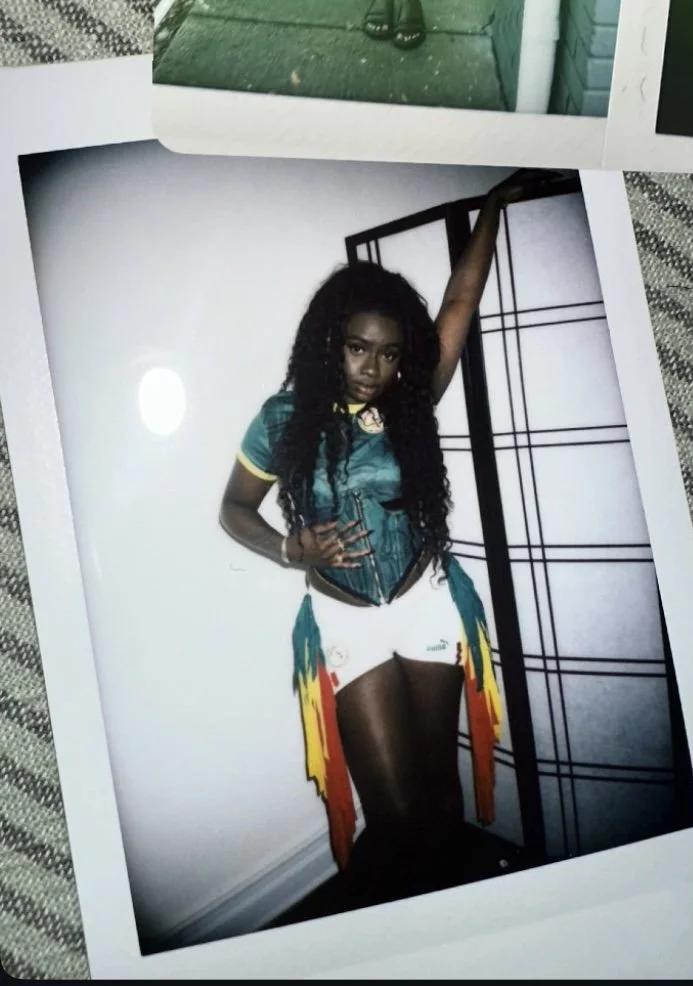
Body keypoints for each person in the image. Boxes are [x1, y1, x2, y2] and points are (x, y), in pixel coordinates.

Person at [220, 171, 548, 908]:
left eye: (391, 354)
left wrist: (492, 208)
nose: (374, 368)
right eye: (359, 348)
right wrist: (290, 548)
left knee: (438, 792)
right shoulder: (281, 419)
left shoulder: (410, 404)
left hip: (426, 601)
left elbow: (459, 303)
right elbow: (234, 509)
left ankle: (458, 919)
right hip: (346, 621)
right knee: (396, 818)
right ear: (330, 343)